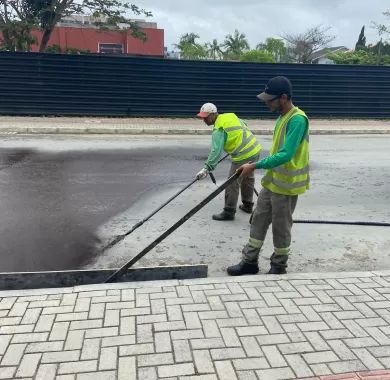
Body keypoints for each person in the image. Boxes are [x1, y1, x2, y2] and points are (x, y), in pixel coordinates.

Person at [227, 76, 309, 275]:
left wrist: (255, 165)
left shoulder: (297, 119)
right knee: (258, 220)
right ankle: (249, 262)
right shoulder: (282, 117)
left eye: (269, 99)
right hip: (272, 182)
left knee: (280, 228)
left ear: (283, 97)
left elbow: (286, 154)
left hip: (287, 186)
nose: (266, 103)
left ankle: (279, 265)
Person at [196, 103, 261, 221]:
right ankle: (248, 205)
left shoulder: (219, 129)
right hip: (255, 149)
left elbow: (216, 150)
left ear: (214, 114)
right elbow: (244, 124)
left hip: (243, 154)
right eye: (202, 117)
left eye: (206, 117)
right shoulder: (229, 116)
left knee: (232, 182)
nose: (204, 120)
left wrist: (207, 168)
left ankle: (229, 211)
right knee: (248, 177)